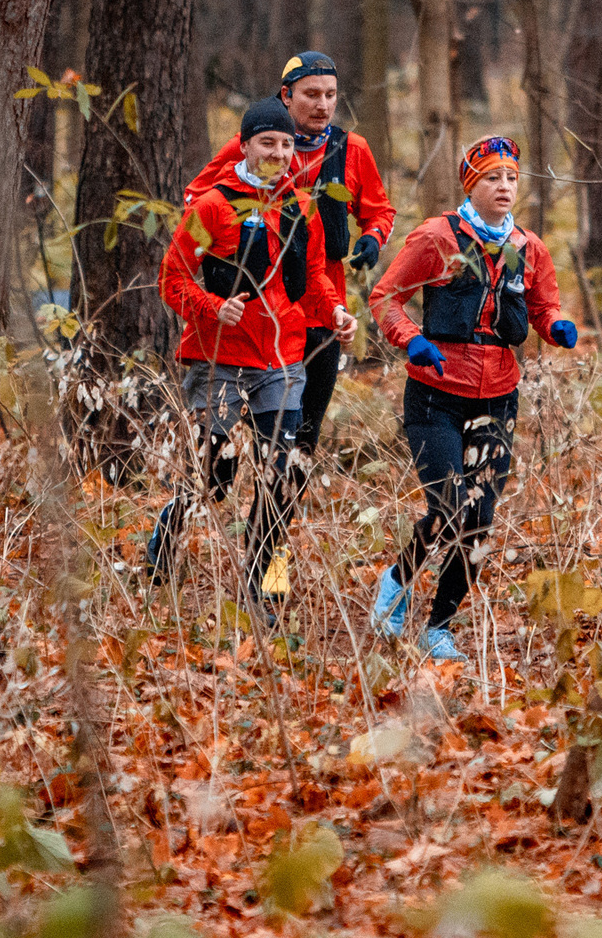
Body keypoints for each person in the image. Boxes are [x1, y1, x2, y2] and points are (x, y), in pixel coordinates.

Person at [366, 135, 579, 661]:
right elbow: (385, 298)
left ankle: (439, 626)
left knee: (479, 517)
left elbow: (543, 304)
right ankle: (396, 583)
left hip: (498, 397)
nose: (504, 186)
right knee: (448, 507)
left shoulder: (529, 247)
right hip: (436, 394)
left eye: (511, 177)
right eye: (492, 178)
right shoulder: (436, 237)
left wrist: (557, 326)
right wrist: (411, 340)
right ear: (471, 184)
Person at [148, 97, 357, 616]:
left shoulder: (300, 205)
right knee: (211, 477)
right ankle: (167, 533)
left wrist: (335, 314)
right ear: (244, 146)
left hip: (282, 360)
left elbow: (312, 281)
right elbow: (172, 278)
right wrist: (213, 308)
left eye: (287, 144)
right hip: (218, 357)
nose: (279, 153)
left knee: (281, 475)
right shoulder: (213, 207)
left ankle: (269, 580)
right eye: (268, 142)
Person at [186, 51, 396, 457]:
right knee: (221, 458)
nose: (322, 105)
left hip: (323, 309)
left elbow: (380, 211)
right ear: (286, 95)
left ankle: (266, 521)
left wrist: (372, 238)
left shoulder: (352, 148)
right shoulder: (251, 145)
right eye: (311, 94)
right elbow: (196, 199)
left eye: (331, 95)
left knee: (300, 447)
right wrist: (227, 250)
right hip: (257, 319)